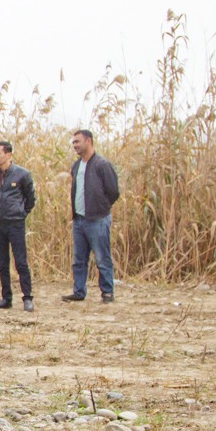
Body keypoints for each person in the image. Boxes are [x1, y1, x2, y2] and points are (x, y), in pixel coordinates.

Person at [62, 128, 120, 304]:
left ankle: (107, 292)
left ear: (88, 141)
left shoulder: (102, 165)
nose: (74, 145)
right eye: (73, 142)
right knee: (79, 259)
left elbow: (113, 192)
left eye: (77, 142)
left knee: (102, 257)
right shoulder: (76, 166)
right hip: (79, 220)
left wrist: (101, 207)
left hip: (97, 219)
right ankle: (79, 291)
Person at [0, 141, 36, 312]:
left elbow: (30, 198)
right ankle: (6, 298)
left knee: (20, 262)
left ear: (8, 155)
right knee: (2, 264)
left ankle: (27, 297)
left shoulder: (22, 174)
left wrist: (22, 212)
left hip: (15, 223)